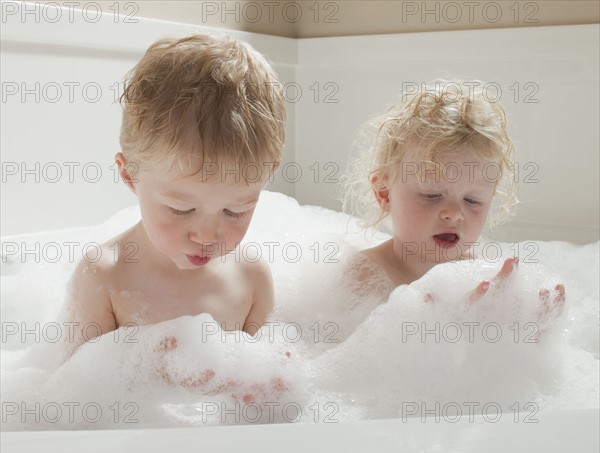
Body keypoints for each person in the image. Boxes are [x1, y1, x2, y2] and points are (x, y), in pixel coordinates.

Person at [60, 33, 286, 360]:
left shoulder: (251, 276)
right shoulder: (105, 276)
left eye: (236, 211)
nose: (208, 235)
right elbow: (74, 392)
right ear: (129, 175)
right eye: (182, 209)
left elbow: (264, 375)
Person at [341, 79, 565, 309]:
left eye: (472, 200)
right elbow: (344, 343)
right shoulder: (363, 276)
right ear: (384, 194)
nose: (455, 214)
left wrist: (532, 327)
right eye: (432, 195)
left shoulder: (480, 275)